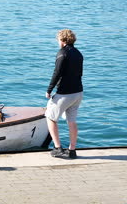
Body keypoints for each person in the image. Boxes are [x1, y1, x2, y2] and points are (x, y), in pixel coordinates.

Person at [45, 29, 83, 159]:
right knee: (71, 121)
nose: (58, 42)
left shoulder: (62, 53)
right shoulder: (79, 53)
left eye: (58, 39)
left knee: (50, 117)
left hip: (64, 93)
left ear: (63, 40)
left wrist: (49, 89)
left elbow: (57, 72)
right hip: (78, 92)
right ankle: (72, 150)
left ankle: (58, 148)